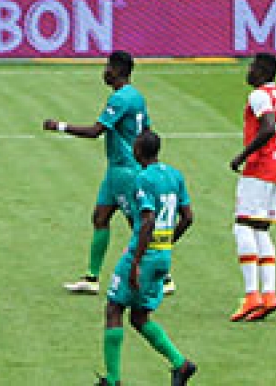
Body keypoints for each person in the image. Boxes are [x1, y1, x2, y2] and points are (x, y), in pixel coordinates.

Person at [43, 51, 155, 294]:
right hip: (116, 170)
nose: (104, 72)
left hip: (125, 171)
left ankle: (163, 277)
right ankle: (91, 278)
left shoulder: (120, 99)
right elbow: (147, 130)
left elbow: (95, 131)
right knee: (100, 218)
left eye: (107, 67)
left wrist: (59, 126)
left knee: (138, 224)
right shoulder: (136, 96)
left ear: (117, 70)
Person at [99, 129, 199, 386]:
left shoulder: (142, 179)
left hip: (143, 255)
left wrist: (136, 263)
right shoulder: (175, 175)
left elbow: (148, 220)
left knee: (114, 308)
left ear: (138, 151)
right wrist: (167, 243)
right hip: (162, 256)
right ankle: (181, 364)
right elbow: (188, 217)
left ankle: (113, 380)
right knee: (139, 317)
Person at [228, 52, 276, 322]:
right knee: (260, 228)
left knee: (242, 225)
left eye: (252, 66)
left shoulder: (259, 95)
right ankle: (269, 294)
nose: (248, 71)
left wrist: (244, 155)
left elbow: (269, 126)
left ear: (262, 71)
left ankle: (251, 295)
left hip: (260, 168)